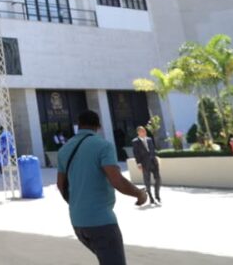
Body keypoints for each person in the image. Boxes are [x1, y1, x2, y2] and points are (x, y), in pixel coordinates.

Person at [57, 110, 147, 265]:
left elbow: (60, 184)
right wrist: (139, 194)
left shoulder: (65, 149)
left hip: (78, 222)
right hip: (101, 222)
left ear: (79, 125)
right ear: (98, 126)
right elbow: (117, 181)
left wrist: (77, 204)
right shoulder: (103, 146)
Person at [132, 125, 161, 204]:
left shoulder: (149, 139)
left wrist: (156, 157)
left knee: (158, 179)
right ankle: (151, 197)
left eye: (144, 130)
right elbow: (136, 153)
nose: (144, 132)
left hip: (154, 162)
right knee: (147, 182)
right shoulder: (135, 141)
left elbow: (152, 150)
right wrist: (138, 164)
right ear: (138, 132)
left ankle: (157, 196)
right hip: (144, 164)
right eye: (142, 131)